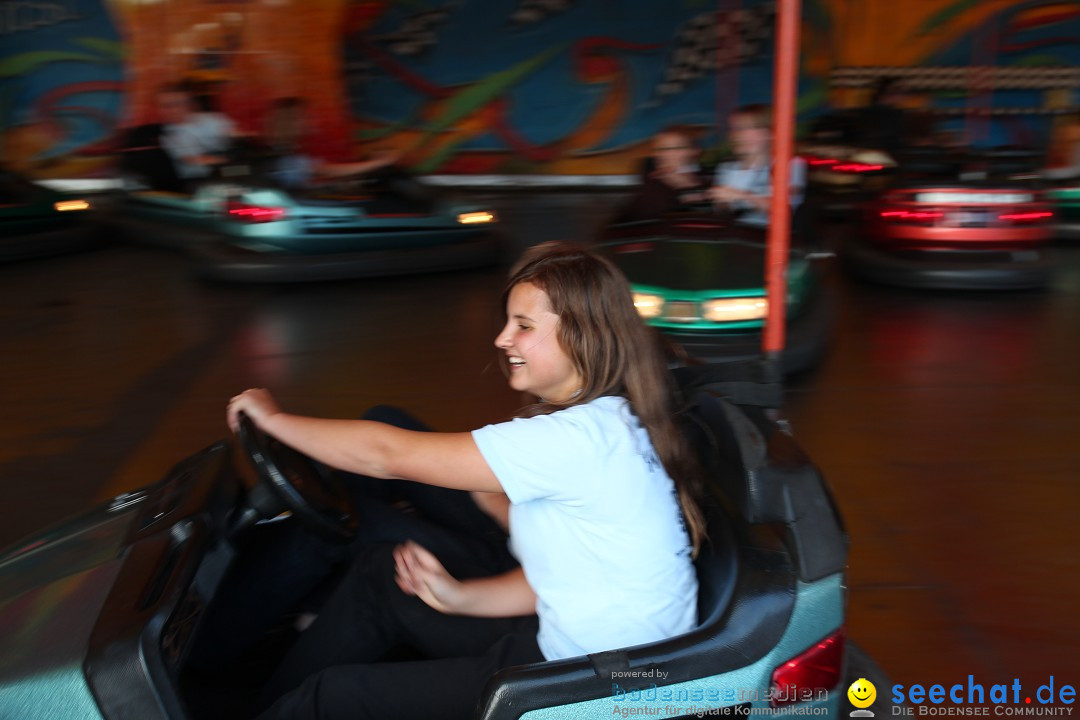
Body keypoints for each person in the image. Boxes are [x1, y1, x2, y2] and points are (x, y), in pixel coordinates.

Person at [225, 241, 706, 720]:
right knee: (383, 579)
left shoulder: (577, 440)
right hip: (591, 658)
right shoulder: (610, 422)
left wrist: (274, 420)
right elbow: (561, 581)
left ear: (581, 336)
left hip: (598, 689)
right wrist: (458, 597)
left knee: (328, 699)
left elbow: (385, 455)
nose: (502, 339)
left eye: (523, 326)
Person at [263, 96, 399, 189]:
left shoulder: (289, 149)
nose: (311, 120)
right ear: (291, 122)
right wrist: (379, 162)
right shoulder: (284, 155)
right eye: (305, 116)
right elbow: (327, 170)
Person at [708, 104, 807, 228]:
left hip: (771, 238)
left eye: (746, 128)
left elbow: (782, 209)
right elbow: (722, 212)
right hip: (735, 236)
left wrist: (743, 196)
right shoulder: (726, 168)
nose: (737, 134)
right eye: (734, 129)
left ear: (771, 133)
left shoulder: (791, 165)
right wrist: (721, 202)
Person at [617, 126, 710, 221]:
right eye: (661, 149)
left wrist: (685, 185)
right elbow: (644, 215)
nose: (667, 154)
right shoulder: (652, 177)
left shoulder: (708, 176)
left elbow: (707, 215)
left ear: (694, 151)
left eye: (677, 148)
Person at [156, 82, 238, 181]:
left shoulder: (213, 119)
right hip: (200, 179)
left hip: (231, 171)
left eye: (174, 105)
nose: (168, 111)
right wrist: (232, 161)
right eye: (164, 106)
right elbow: (195, 160)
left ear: (188, 104)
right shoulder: (168, 135)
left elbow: (238, 138)